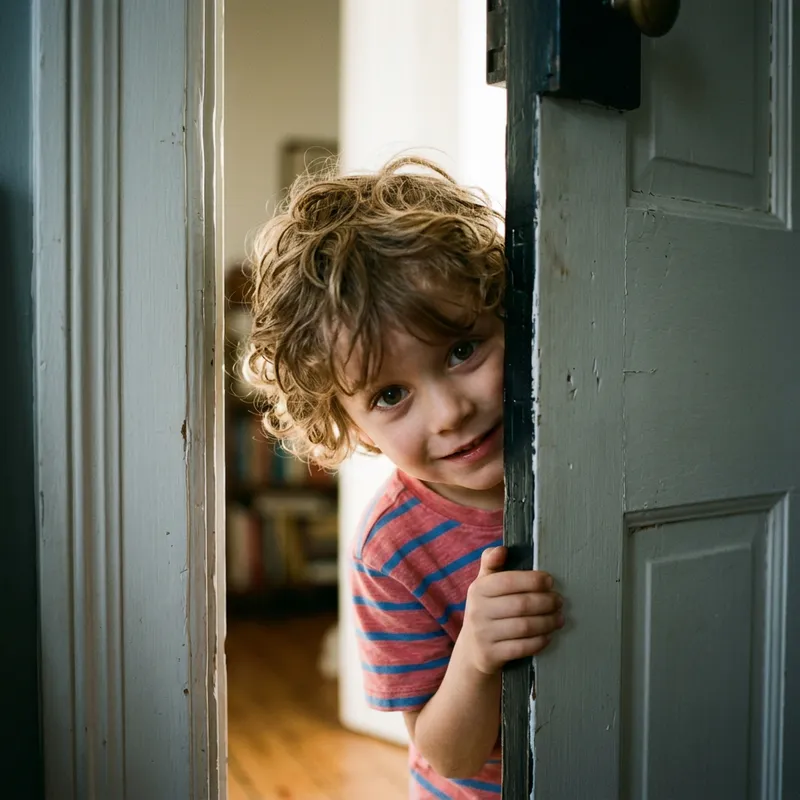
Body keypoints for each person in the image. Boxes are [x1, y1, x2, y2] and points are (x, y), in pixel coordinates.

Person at [244, 156, 565, 799]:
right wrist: (476, 653)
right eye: (390, 394)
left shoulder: (583, 450)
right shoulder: (389, 548)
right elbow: (448, 755)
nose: (451, 413)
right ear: (352, 426)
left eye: (462, 349)